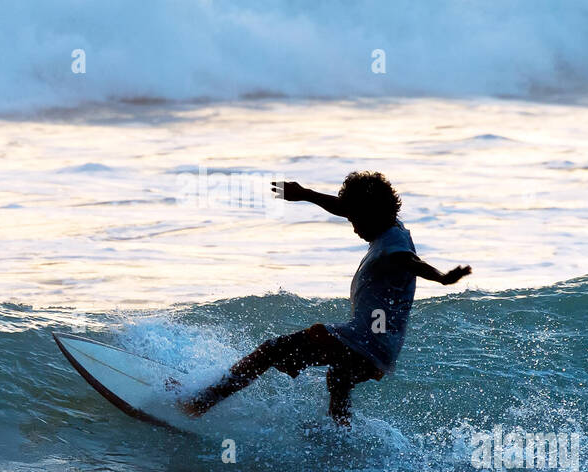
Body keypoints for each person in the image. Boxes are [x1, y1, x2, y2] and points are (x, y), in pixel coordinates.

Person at [180, 171, 471, 427]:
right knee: (339, 379)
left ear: (370, 214)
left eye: (356, 219)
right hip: (382, 347)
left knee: (271, 351)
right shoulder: (391, 227)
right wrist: (305, 194)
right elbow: (345, 208)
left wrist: (441, 277)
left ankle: (200, 403)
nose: (352, 224)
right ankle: (340, 437)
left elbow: (409, 261)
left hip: (364, 341)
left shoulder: (393, 246)